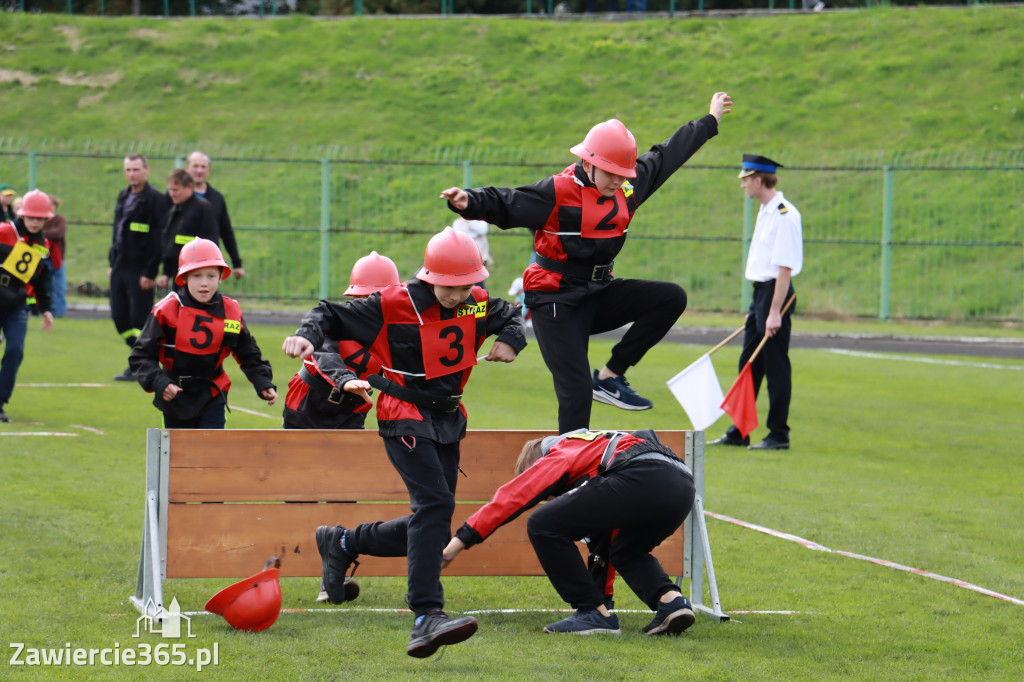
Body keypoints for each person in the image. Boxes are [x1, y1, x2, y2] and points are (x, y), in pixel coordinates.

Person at [282, 226, 526, 658]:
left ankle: (342, 542)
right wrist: (307, 334)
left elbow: (509, 314)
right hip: (403, 414)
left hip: (449, 416)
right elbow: (330, 314)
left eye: (466, 285)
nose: (458, 294)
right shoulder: (395, 302)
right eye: (449, 286)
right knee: (435, 508)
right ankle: (426, 615)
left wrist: (511, 339)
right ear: (429, 276)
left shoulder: (477, 301)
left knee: (432, 522)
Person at [440, 92, 733, 434]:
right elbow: (508, 202)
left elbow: (667, 156)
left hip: (596, 292)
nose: (617, 181)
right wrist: (468, 201)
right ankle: (567, 475)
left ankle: (610, 377)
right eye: (609, 173)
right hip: (554, 302)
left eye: (622, 173)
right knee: (576, 393)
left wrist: (709, 121)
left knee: (671, 297)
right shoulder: (557, 192)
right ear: (588, 162)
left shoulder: (627, 187)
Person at [441, 428, 696, 636]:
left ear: (536, 463)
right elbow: (603, 542)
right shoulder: (596, 446)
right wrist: (603, 601)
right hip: (681, 484)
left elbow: (513, 496)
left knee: (543, 522)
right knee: (626, 551)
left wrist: (459, 541)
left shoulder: (560, 451)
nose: (555, 497)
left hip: (642, 475)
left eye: (551, 494)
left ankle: (591, 612)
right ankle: (671, 602)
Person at [281, 250, 401, 603]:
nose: (373, 306)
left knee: (344, 492)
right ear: (354, 297)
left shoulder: (395, 330)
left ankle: (329, 575)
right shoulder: (339, 320)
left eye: (380, 298)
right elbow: (325, 354)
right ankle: (278, 562)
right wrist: (346, 379)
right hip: (307, 403)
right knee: (296, 491)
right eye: (366, 298)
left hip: (351, 411)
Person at [130, 238, 276, 429]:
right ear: (184, 278)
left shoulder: (230, 312)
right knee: (179, 457)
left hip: (213, 393)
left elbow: (246, 350)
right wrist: (159, 382)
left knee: (211, 454)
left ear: (221, 276)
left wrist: (262, 381)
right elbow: (140, 355)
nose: (204, 283)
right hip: (175, 395)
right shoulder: (166, 310)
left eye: (211, 276)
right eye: (197, 276)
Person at [709, 155, 803, 451]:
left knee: (776, 367)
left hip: (776, 294)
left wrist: (773, 312)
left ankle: (778, 434)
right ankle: (739, 430)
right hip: (761, 295)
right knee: (747, 364)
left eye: (746, 180)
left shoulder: (785, 214)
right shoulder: (766, 210)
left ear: (759, 180)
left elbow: (784, 269)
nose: (743, 185)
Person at [109, 154, 168, 381]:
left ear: (146, 170)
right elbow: (117, 232)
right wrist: (112, 261)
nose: (132, 174)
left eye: (136, 169)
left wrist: (150, 272)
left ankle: (145, 365)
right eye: (128, 169)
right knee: (119, 316)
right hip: (120, 266)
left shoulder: (155, 200)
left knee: (140, 318)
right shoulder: (124, 196)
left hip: (140, 269)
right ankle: (140, 360)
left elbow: (158, 239)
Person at [0, 191, 57, 423]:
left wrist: (46, 309)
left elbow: (41, 279)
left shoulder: (42, 244)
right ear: (21, 215)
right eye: (31, 217)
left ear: (46, 219)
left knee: (15, 351)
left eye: (40, 218)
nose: (35, 222)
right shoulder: (4, 232)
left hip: (16, 304)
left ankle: (0, 403)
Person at [185, 151, 245, 279]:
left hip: (209, 262)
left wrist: (237, 263)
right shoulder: (176, 196)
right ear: (187, 168)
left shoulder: (217, 198)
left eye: (203, 167)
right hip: (182, 262)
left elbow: (226, 231)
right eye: (195, 166)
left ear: (209, 170)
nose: (199, 170)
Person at [157, 169, 219, 290]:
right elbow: (169, 243)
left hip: (196, 275)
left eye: (175, 190)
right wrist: (166, 272)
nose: (171, 194)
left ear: (190, 187)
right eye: (170, 189)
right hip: (178, 274)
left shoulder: (203, 208)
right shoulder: (173, 211)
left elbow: (211, 242)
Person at [41, 196, 67, 318]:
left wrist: (44, 234)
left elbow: (58, 233)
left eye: (52, 205)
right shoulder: (42, 220)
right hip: (44, 258)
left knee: (59, 286)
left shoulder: (60, 219)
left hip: (57, 258)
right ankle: (49, 310)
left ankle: (60, 312)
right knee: (47, 286)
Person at [451, 216, 491, 288]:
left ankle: (480, 296)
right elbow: (459, 235)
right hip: (464, 256)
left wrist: (470, 220)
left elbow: (482, 230)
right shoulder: (458, 222)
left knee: (479, 279)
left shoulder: (480, 221)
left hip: (480, 256)